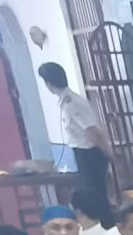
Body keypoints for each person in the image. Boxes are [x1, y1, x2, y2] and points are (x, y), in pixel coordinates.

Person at [40, 63, 112, 201]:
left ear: (48, 84)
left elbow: (91, 131)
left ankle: (104, 216)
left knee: (95, 196)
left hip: (90, 154)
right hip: (85, 154)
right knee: (93, 195)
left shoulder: (72, 104)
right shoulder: (67, 101)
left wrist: (108, 153)